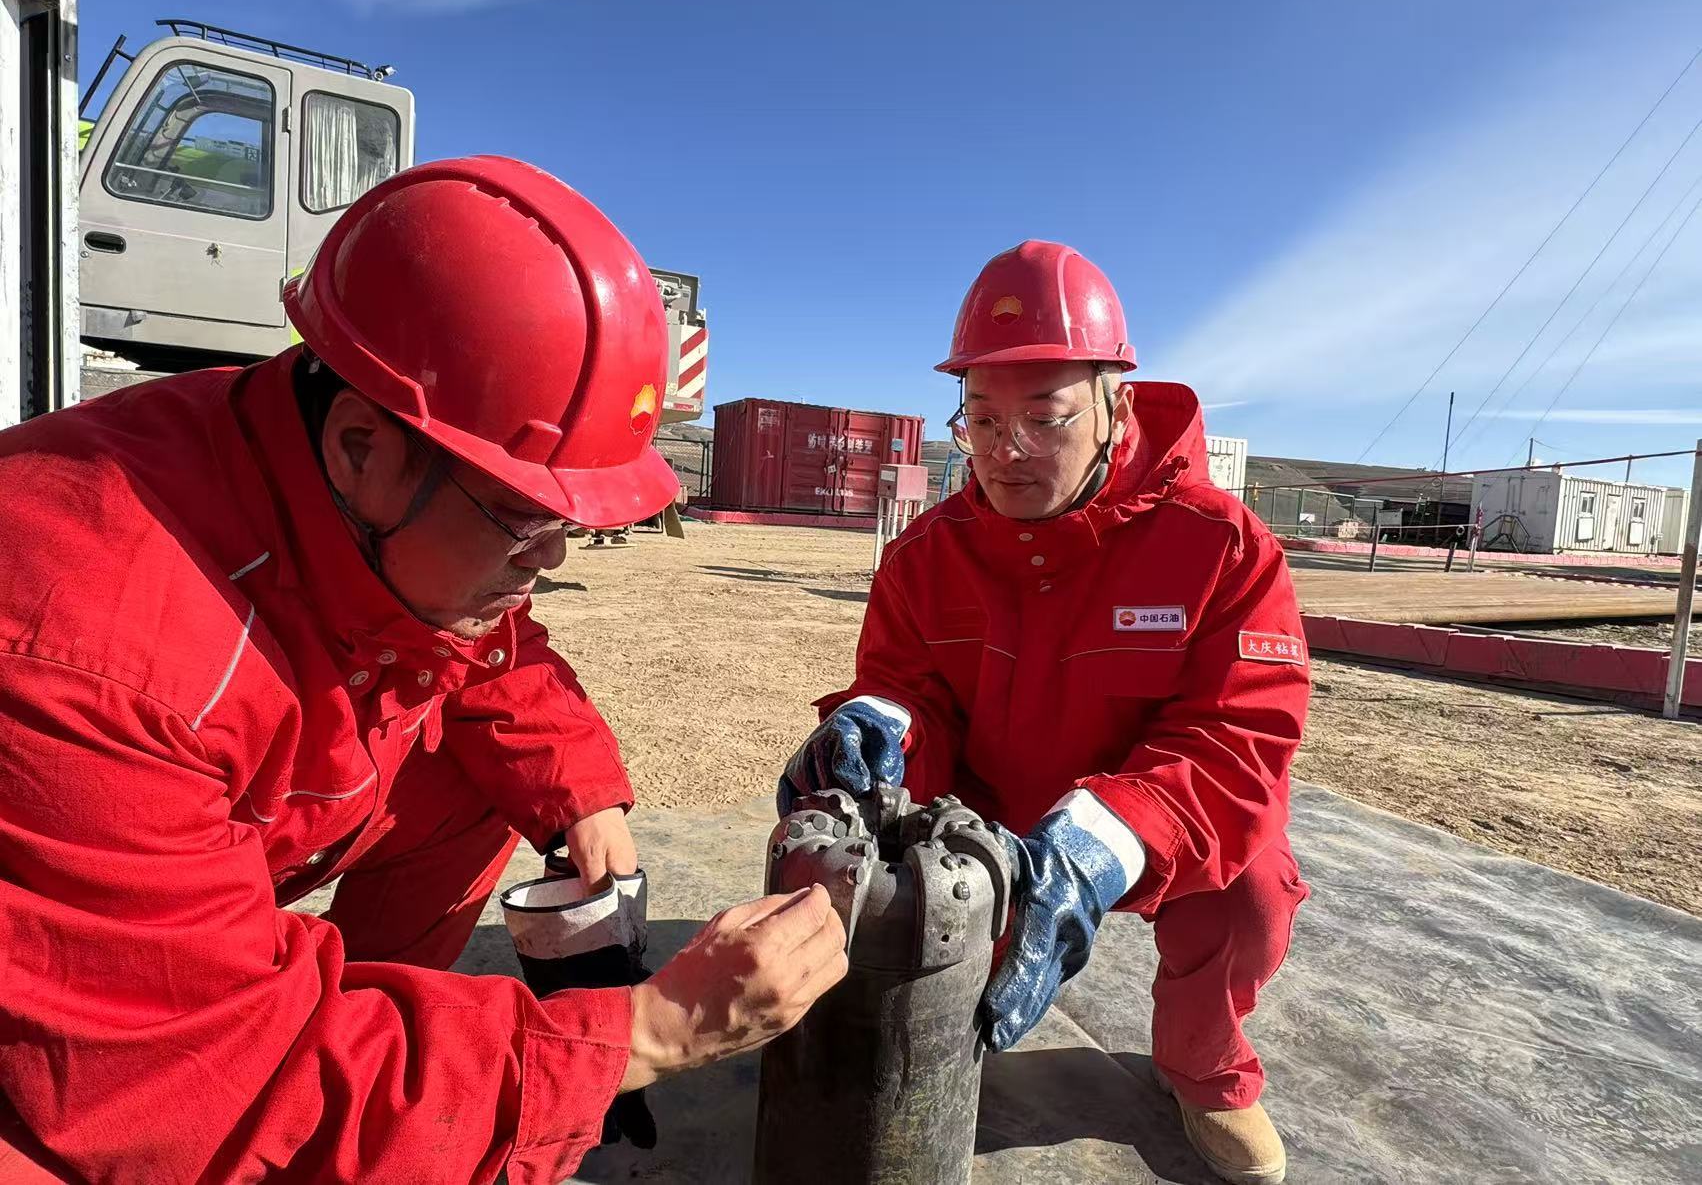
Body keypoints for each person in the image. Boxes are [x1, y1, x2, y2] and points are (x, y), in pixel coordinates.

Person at [0, 157, 846, 1184]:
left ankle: (381, 1045)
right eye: (529, 519)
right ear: (365, 445)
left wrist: (577, 787)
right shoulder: (85, 650)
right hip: (86, 1028)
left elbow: (492, 649)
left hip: (184, 840)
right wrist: (643, 1034)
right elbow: (199, 1091)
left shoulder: (325, 481)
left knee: (477, 778)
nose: (552, 559)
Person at [781, 241, 1309, 1185]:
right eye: (980, 417)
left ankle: (1204, 1069)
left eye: (1045, 417)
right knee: (906, 902)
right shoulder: (926, 557)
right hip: (986, 807)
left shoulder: (1221, 547)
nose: (1005, 448)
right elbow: (906, 684)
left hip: (1146, 819)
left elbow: (1239, 737)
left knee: (1252, 894)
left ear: (1118, 409)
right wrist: (877, 726)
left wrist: (1104, 841)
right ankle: (948, 1007)